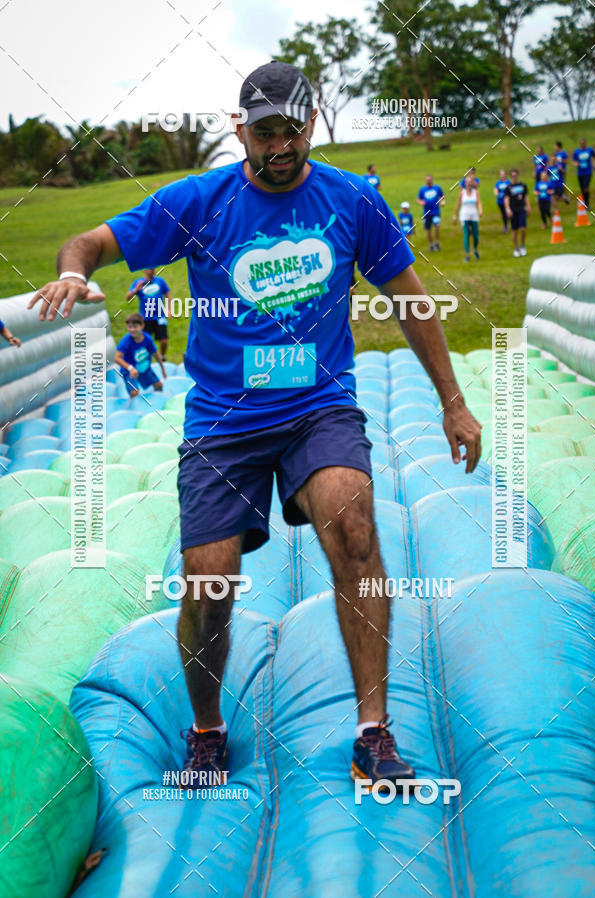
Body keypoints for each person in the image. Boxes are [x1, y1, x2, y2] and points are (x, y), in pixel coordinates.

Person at [29, 60, 481, 791]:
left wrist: (453, 401)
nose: (279, 146)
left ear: (311, 124)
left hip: (318, 406)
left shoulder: (351, 200)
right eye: (264, 132)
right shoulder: (198, 200)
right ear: (240, 131)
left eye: (291, 130)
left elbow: (411, 298)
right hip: (225, 418)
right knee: (209, 585)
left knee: (354, 525)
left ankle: (373, 732)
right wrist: (75, 274)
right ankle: (207, 730)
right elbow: (90, 243)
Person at [113, 312, 167, 398]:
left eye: (135, 327)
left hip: (144, 369)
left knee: (159, 386)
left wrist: (162, 369)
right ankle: (132, 404)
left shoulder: (147, 339)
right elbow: (117, 358)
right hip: (129, 371)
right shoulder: (126, 341)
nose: (132, 330)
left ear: (142, 326)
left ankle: (157, 402)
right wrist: (130, 368)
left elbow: (155, 354)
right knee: (134, 392)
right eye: (129, 327)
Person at [125, 268, 171, 358]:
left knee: (164, 341)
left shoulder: (160, 281)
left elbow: (168, 294)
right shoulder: (138, 283)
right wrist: (135, 290)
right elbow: (128, 298)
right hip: (145, 318)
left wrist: (168, 309)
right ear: (144, 270)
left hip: (160, 317)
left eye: (153, 268)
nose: (152, 270)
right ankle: (146, 358)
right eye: (150, 269)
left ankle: (162, 356)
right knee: (145, 341)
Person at [452, 173, 482, 261]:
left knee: (475, 235)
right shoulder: (462, 193)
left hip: (474, 215)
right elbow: (458, 205)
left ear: (472, 183)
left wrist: (480, 210)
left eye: (470, 182)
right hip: (464, 215)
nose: (469, 184)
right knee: (466, 234)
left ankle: (475, 249)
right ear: (465, 183)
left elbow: (479, 203)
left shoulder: (476, 192)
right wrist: (455, 216)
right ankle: (467, 255)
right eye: (467, 183)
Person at [504, 168, 531, 257]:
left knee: (523, 229)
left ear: (518, 175)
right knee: (514, 230)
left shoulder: (523, 185)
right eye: (513, 176)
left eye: (515, 175)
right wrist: (508, 209)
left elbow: (526, 197)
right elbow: (506, 199)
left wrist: (528, 207)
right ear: (511, 177)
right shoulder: (508, 188)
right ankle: (516, 248)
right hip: (513, 210)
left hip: (522, 209)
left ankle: (522, 246)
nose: (514, 177)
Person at [417, 174, 445, 251]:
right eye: (427, 180)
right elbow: (418, 199)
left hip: (436, 211)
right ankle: (431, 244)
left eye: (429, 180)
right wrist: (421, 202)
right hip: (426, 213)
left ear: (432, 180)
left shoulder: (437, 188)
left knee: (436, 227)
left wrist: (442, 202)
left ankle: (436, 242)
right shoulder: (422, 189)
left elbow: (442, 197)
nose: (428, 181)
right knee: (428, 229)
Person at [572, 138, 595, 210]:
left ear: (585, 143)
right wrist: (576, 164)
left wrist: (594, 164)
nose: (582, 144)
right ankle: (585, 203)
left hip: (588, 172)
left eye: (583, 143)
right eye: (581, 143)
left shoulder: (589, 150)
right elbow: (574, 161)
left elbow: (594, 156)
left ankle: (587, 204)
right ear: (580, 144)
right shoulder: (577, 152)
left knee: (586, 188)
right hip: (580, 173)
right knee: (582, 189)